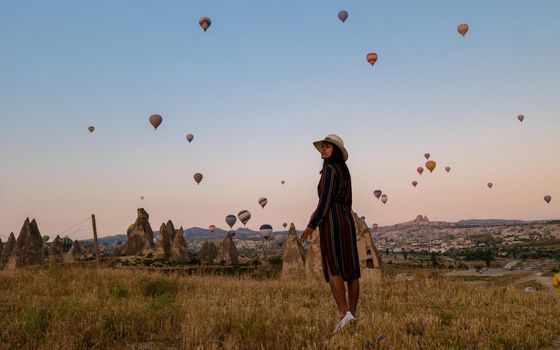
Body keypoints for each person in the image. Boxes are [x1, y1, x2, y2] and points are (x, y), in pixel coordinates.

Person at [300, 134, 361, 335]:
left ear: (335, 150)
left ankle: (344, 314)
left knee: (333, 266)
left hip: (332, 222)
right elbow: (349, 201)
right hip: (346, 220)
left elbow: (324, 201)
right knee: (351, 270)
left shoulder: (328, 170)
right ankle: (352, 314)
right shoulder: (345, 171)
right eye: (323, 147)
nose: (324, 150)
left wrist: (311, 225)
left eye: (328, 147)